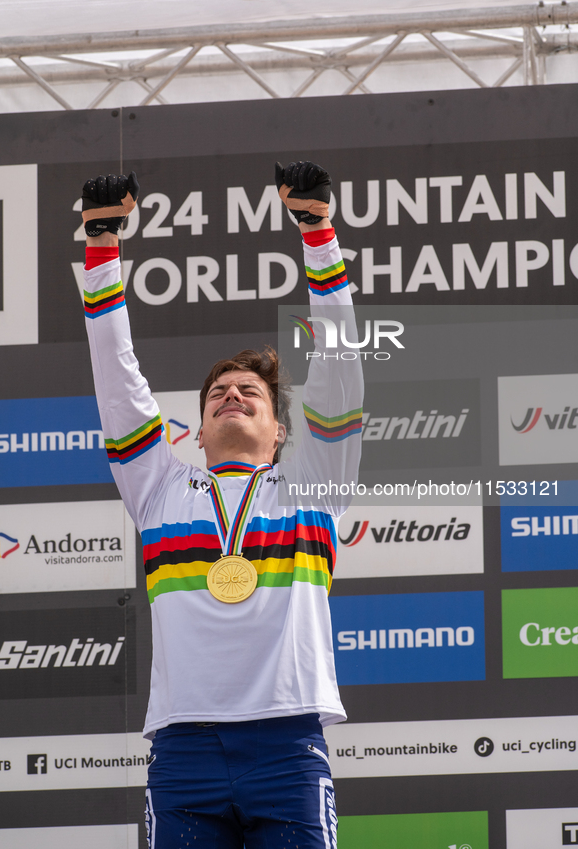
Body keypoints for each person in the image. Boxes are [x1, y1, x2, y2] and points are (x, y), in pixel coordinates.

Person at [81, 161, 364, 849]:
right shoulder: (157, 487)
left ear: (280, 432)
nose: (232, 397)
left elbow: (339, 368)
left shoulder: (312, 483)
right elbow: (119, 379)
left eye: (250, 394)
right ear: (197, 432)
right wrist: (101, 249)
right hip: (184, 746)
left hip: (288, 740)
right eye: (217, 396)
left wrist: (318, 233)